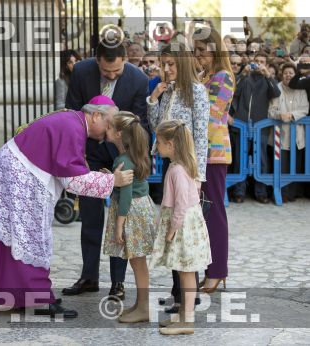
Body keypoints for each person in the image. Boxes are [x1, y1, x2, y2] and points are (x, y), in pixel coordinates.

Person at [0, 96, 134, 318]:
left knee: (19, 236)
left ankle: (21, 295)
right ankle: (38, 299)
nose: (107, 132)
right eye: (108, 124)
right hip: (20, 177)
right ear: (96, 115)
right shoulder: (73, 127)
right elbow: (73, 180)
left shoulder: (73, 122)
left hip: (16, 171)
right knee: (30, 236)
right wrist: (113, 181)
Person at [63, 39, 148, 301]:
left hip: (120, 156)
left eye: (117, 71)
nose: (111, 76)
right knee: (89, 218)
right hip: (88, 154)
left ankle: (118, 283)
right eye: (106, 71)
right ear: (96, 59)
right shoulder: (81, 72)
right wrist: (79, 157)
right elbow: (72, 115)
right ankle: (89, 276)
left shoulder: (138, 79)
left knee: (118, 220)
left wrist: (127, 160)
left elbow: (139, 124)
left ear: (124, 59)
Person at [147, 42, 209, 312]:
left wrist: (199, 175)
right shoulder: (168, 90)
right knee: (170, 231)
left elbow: (201, 135)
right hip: (169, 165)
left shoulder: (196, 91)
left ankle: (189, 296)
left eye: (171, 64)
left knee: (182, 231)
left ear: (182, 64)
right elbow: (158, 127)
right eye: (164, 64)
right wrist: (153, 99)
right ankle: (178, 292)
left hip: (187, 170)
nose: (167, 69)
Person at [150, 119, 212, 336]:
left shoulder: (177, 170)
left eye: (158, 142)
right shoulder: (184, 165)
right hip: (187, 222)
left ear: (171, 144)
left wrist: (172, 229)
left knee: (186, 272)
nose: (156, 147)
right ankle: (184, 315)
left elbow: (182, 203)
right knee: (185, 271)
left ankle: (187, 320)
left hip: (183, 225)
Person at [102, 111, 156, 323]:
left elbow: (125, 195)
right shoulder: (134, 156)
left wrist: (119, 224)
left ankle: (143, 308)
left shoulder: (122, 161)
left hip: (131, 213)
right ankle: (140, 304)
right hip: (141, 208)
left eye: (109, 127)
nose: (106, 130)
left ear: (119, 134)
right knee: (138, 261)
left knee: (137, 262)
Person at [194, 28, 236, 292]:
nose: (198, 55)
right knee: (204, 212)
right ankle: (212, 268)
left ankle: (218, 270)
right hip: (201, 153)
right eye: (195, 50)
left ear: (214, 48)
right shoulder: (206, 76)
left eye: (202, 49)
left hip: (214, 153)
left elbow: (211, 114)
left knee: (214, 211)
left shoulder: (223, 77)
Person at [230, 51, 281, 203]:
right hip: (242, 125)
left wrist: (268, 75)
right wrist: (243, 74)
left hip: (261, 126)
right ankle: (239, 192)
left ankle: (261, 192)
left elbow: (276, 93)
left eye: (262, 61)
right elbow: (233, 90)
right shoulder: (245, 78)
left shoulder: (267, 80)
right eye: (256, 61)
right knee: (240, 159)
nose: (258, 64)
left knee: (261, 160)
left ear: (265, 64)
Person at [268, 63, 309, 201]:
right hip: (281, 136)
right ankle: (283, 193)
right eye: (286, 73)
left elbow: (305, 108)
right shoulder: (277, 89)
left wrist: (292, 115)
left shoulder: (301, 89)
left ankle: (293, 193)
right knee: (282, 165)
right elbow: (271, 111)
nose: (288, 75)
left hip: (298, 135)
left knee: (296, 164)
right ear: (282, 74)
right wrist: (280, 115)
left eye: (291, 73)